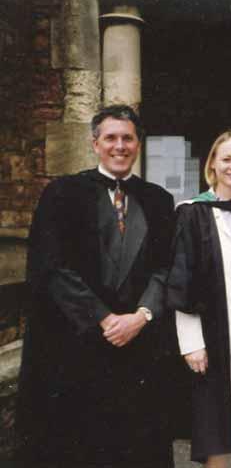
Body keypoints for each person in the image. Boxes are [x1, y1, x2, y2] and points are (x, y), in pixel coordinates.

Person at [16, 104, 175, 467]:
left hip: (137, 345)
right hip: (78, 343)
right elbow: (51, 266)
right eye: (111, 138)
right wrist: (104, 318)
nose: (120, 146)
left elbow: (166, 267)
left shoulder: (158, 200)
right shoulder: (62, 194)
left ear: (138, 144)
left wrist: (141, 316)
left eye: (127, 138)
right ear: (95, 144)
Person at [166, 131, 231, 468]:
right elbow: (182, 279)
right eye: (226, 159)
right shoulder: (192, 213)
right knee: (214, 418)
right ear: (212, 163)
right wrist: (191, 342)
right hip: (215, 334)